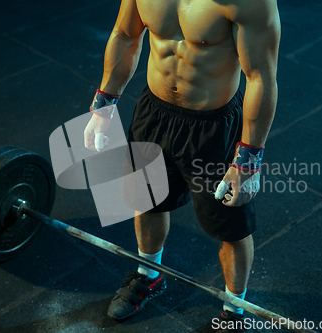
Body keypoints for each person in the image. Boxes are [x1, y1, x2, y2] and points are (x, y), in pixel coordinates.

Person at [84, 0, 280, 331]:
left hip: (212, 129)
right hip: (154, 114)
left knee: (229, 227)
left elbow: (260, 76)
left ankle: (235, 308)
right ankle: (149, 273)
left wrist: (247, 160)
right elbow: (124, 35)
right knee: (146, 201)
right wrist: (104, 105)